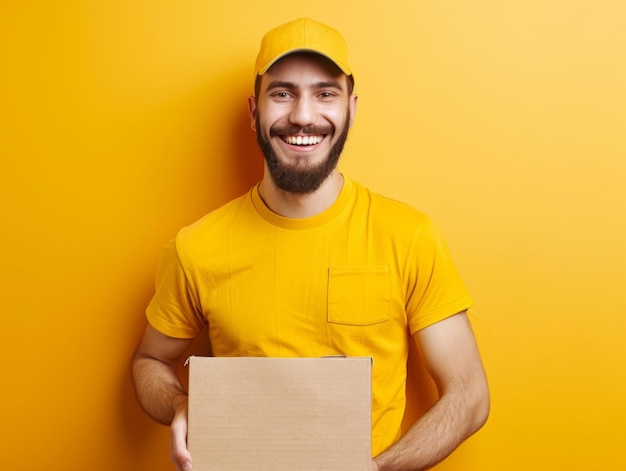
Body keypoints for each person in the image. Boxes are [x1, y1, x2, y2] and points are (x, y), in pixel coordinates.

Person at [132, 17, 489, 471]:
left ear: (351, 109)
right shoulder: (196, 247)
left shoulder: (408, 236)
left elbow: (469, 394)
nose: (302, 115)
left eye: (325, 93)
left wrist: (376, 470)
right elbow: (148, 362)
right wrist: (182, 406)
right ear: (253, 110)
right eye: (282, 93)